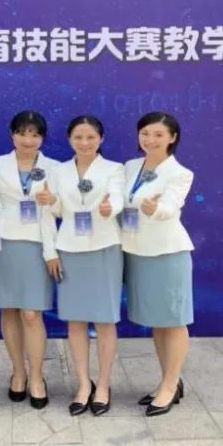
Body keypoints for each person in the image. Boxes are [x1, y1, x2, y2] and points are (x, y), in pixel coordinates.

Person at [43, 115, 125, 416]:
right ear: (69, 139)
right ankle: (83, 384)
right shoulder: (58, 171)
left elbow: (117, 198)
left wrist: (109, 208)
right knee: (75, 320)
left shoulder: (114, 169)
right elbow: (54, 211)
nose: (85, 142)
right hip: (69, 248)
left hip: (104, 247)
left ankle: (103, 385)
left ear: (101, 139)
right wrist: (50, 202)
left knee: (104, 320)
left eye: (91, 137)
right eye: (78, 137)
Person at [120, 112, 195, 417]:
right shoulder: (130, 166)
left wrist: (156, 208)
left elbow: (170, 206)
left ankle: (170, 384)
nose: (150, 140)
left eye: (159, 135)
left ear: (172, 138)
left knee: (173, 320)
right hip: (136, 252)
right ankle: (168, 380)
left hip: (167, 254)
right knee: (157, 321)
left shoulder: (180, 173)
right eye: (145, 133)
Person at [0, 110, 60, 408]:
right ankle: (18, 373)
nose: (28, 140)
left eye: (34, 134)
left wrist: (53, 203)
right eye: (22, 133)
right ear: (12, 134)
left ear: (42, 138)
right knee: (8, 310)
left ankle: (37, 377)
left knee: (32, 314)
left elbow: (60, 211)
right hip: (2, 244)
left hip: (36, 245)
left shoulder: (54, 168)